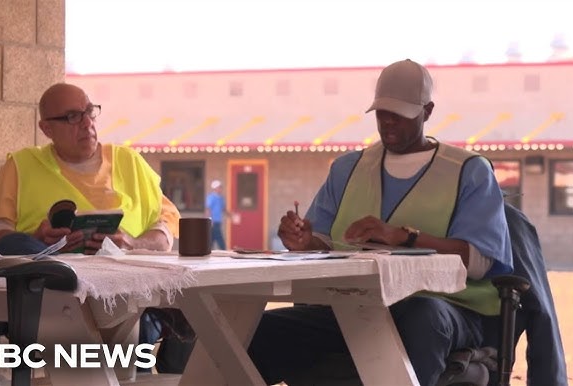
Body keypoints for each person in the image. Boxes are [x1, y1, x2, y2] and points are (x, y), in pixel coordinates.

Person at [247, 59, 513, 386]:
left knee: (420, 317)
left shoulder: (469, 171)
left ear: (427, 111)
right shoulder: (347, 169)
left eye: (399, 114)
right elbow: (323, 242)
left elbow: (481, 261)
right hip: (354, 306)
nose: (388, 123)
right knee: (257, 332)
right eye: (381, 113)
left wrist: (404, 236)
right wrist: (305, 241)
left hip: (446, 308)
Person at [0, 82, 179, 255]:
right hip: (50, 289)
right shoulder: (22, 165)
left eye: (89, 111)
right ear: (47, 129)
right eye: (72, 116)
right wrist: (37, 242)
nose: (87, 122)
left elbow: (165, 235)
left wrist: (131, 244)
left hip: (129, 292)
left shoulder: (129, 162)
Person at [205, 179, 228, 250]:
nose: (220, 189)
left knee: (212, 238)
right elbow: (208, 209)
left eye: (221, 187)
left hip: (218, 221)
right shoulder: (211, 197)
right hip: (213, 221)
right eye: (219, 187)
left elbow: (223, 208)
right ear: (215, 188)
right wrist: (209, 219)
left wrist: (230, 215)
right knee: (219, 238)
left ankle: (207, 250)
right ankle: (224, 250)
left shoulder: (221, 198)